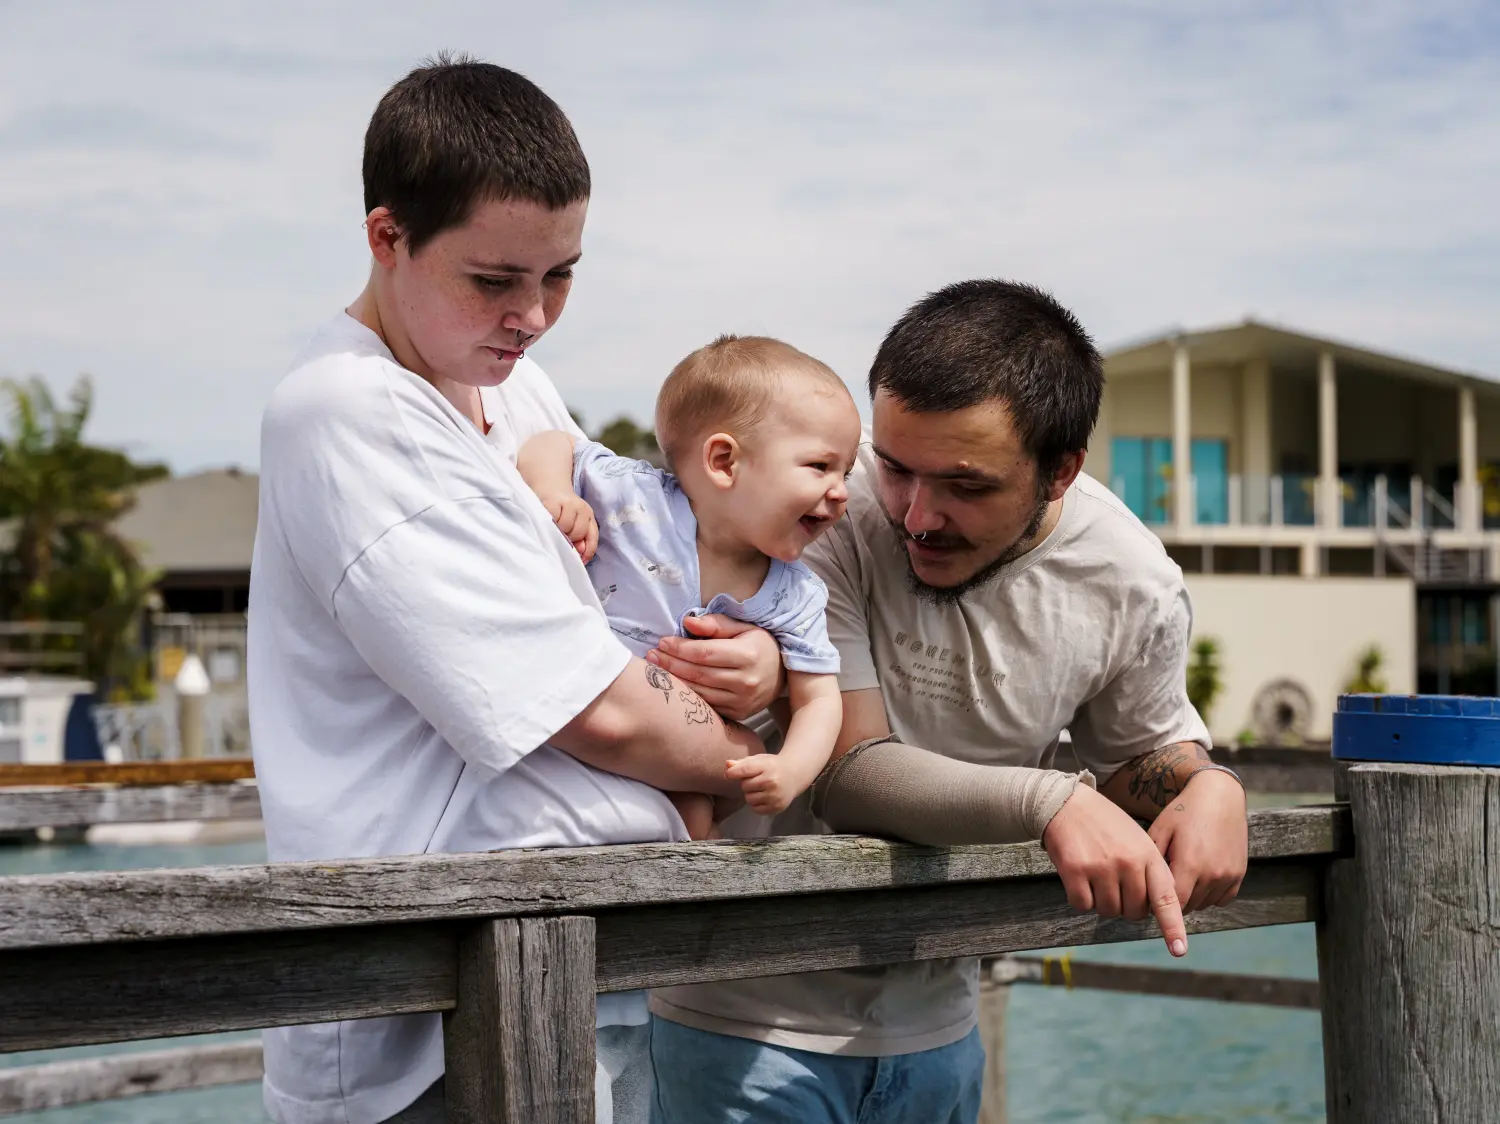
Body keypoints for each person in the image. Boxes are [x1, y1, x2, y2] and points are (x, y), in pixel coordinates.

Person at [247, 56, 786, 1124]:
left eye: (561, 275)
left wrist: (761, 657)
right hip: (426, 1016)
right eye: (494, 280)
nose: (533, 315)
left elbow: (655, 585)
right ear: (387, 236)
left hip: (576, 960)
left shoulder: (517, 386)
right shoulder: (347, 410)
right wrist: (758, 735)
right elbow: (602, 710)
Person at [646, 280, 1251, 1124]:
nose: (918, 515)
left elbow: (1136, 762)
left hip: (942, 1029)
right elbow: (848, 770)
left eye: (966, 485)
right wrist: (1052, 800)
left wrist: (1211, 787)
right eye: (896, 468)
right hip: (737, 1017)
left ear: (1061, 471)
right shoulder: (820, 507)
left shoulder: (1132, 581)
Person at [518, 335, 862, 835]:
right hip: (572, 720)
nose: (841, 491)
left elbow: (819, 701)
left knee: (696, 818)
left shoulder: (794, 595)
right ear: (724, 462)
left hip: (676, 753)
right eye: (820, 466)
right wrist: (553, 490)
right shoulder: (635, 500)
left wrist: (791, 769)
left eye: (846, 472)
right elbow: (553, 443)